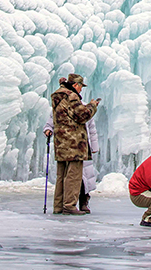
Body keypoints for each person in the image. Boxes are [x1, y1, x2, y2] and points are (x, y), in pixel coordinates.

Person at [45, 78, 99, 213]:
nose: (81, 90)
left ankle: (58, 206)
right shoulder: (71, 96)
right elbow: (82, 115)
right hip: (74, 144)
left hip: (61, 143)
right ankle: (69, 206)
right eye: (80, 86)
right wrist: (92, 106)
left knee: (61, 176)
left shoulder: (58, 97)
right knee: (73, 176)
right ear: (75, 85)